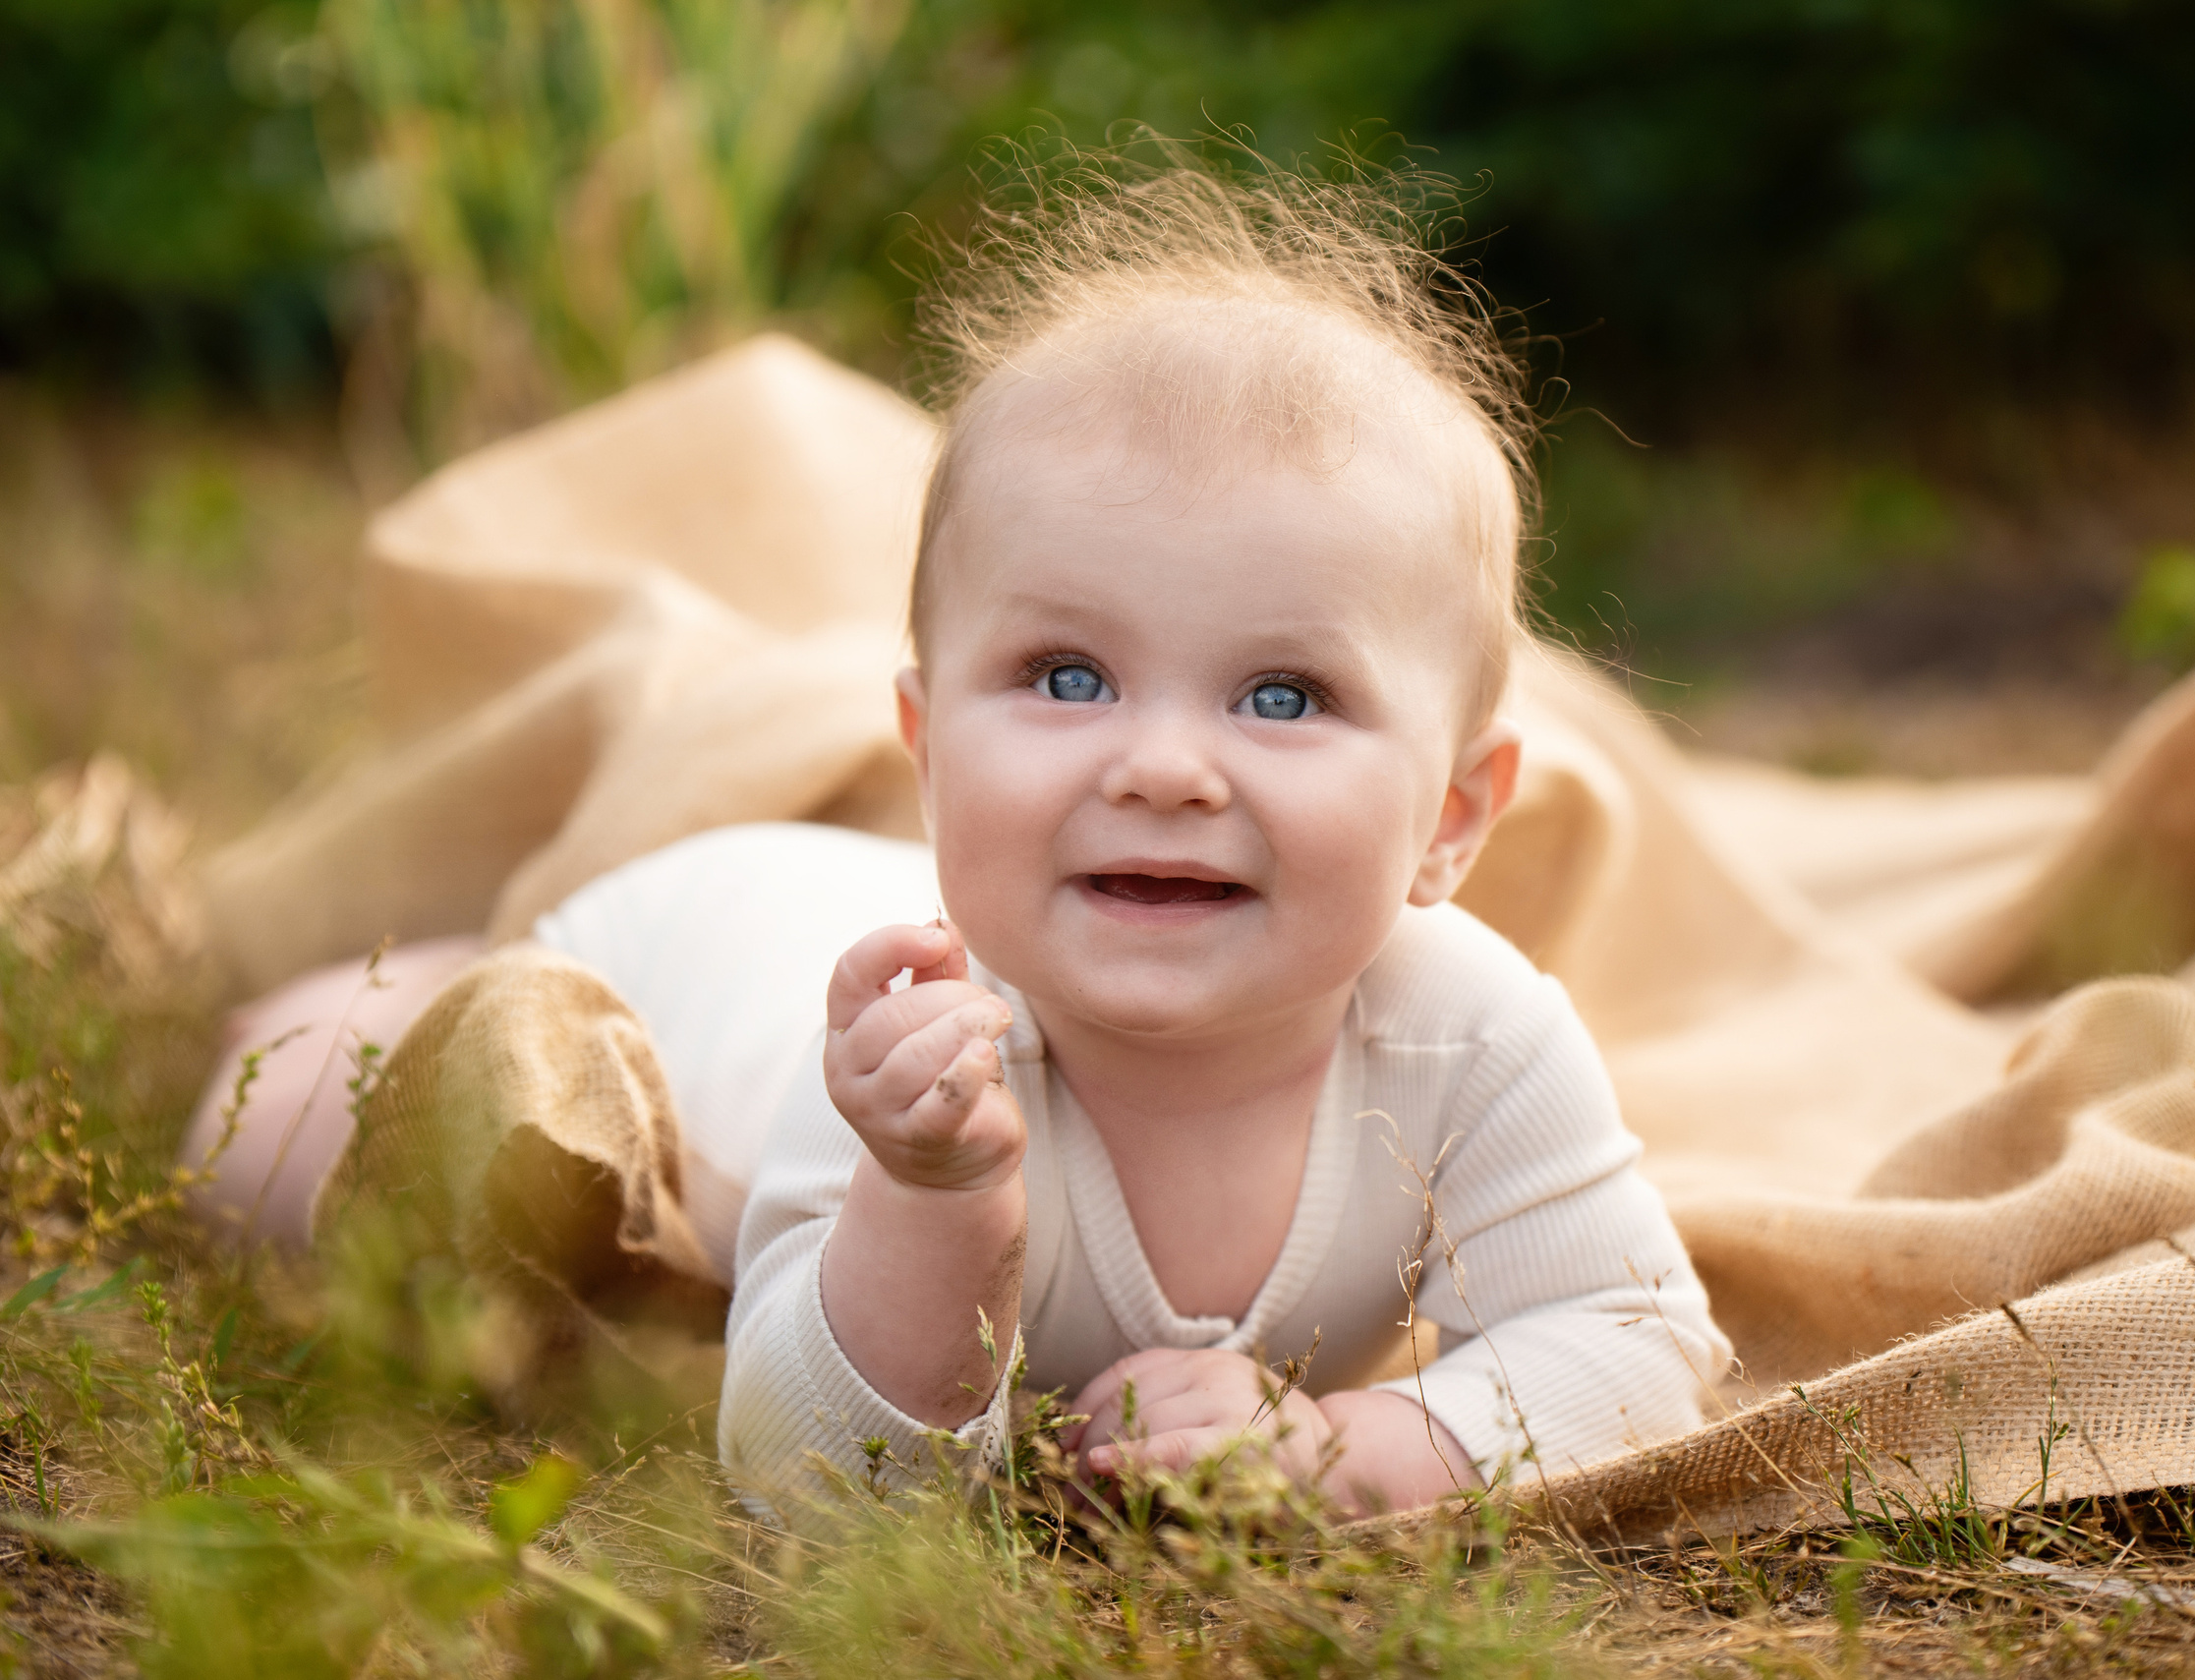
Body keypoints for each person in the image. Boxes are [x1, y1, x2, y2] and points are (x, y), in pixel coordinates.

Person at [696, 160, 1728, 1518]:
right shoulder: (911, 1054)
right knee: (351, 1105)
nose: (1166, 766)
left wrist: (1350, 1449)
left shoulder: (1469, 1041)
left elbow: (1644, 1345)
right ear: (931, 751)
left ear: (1453, 818)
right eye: (1069, 676)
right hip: (700, 951)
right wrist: (932, 1198)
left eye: (1283, 695)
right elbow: (808, 1485)